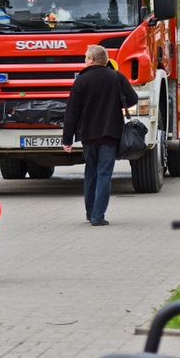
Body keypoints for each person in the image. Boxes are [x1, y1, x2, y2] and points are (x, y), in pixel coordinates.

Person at [61, 45, 138, 226]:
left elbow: (72, 112)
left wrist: (67, 139)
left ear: (92, 60)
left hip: (88, 135)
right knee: (104, 174)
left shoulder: (81, 80)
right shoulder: (117, 77)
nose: (84, 60)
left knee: (91, 173)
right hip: (111, 134)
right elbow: (132, 99)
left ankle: (90, 213)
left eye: (86, 57)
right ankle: (98, 216)